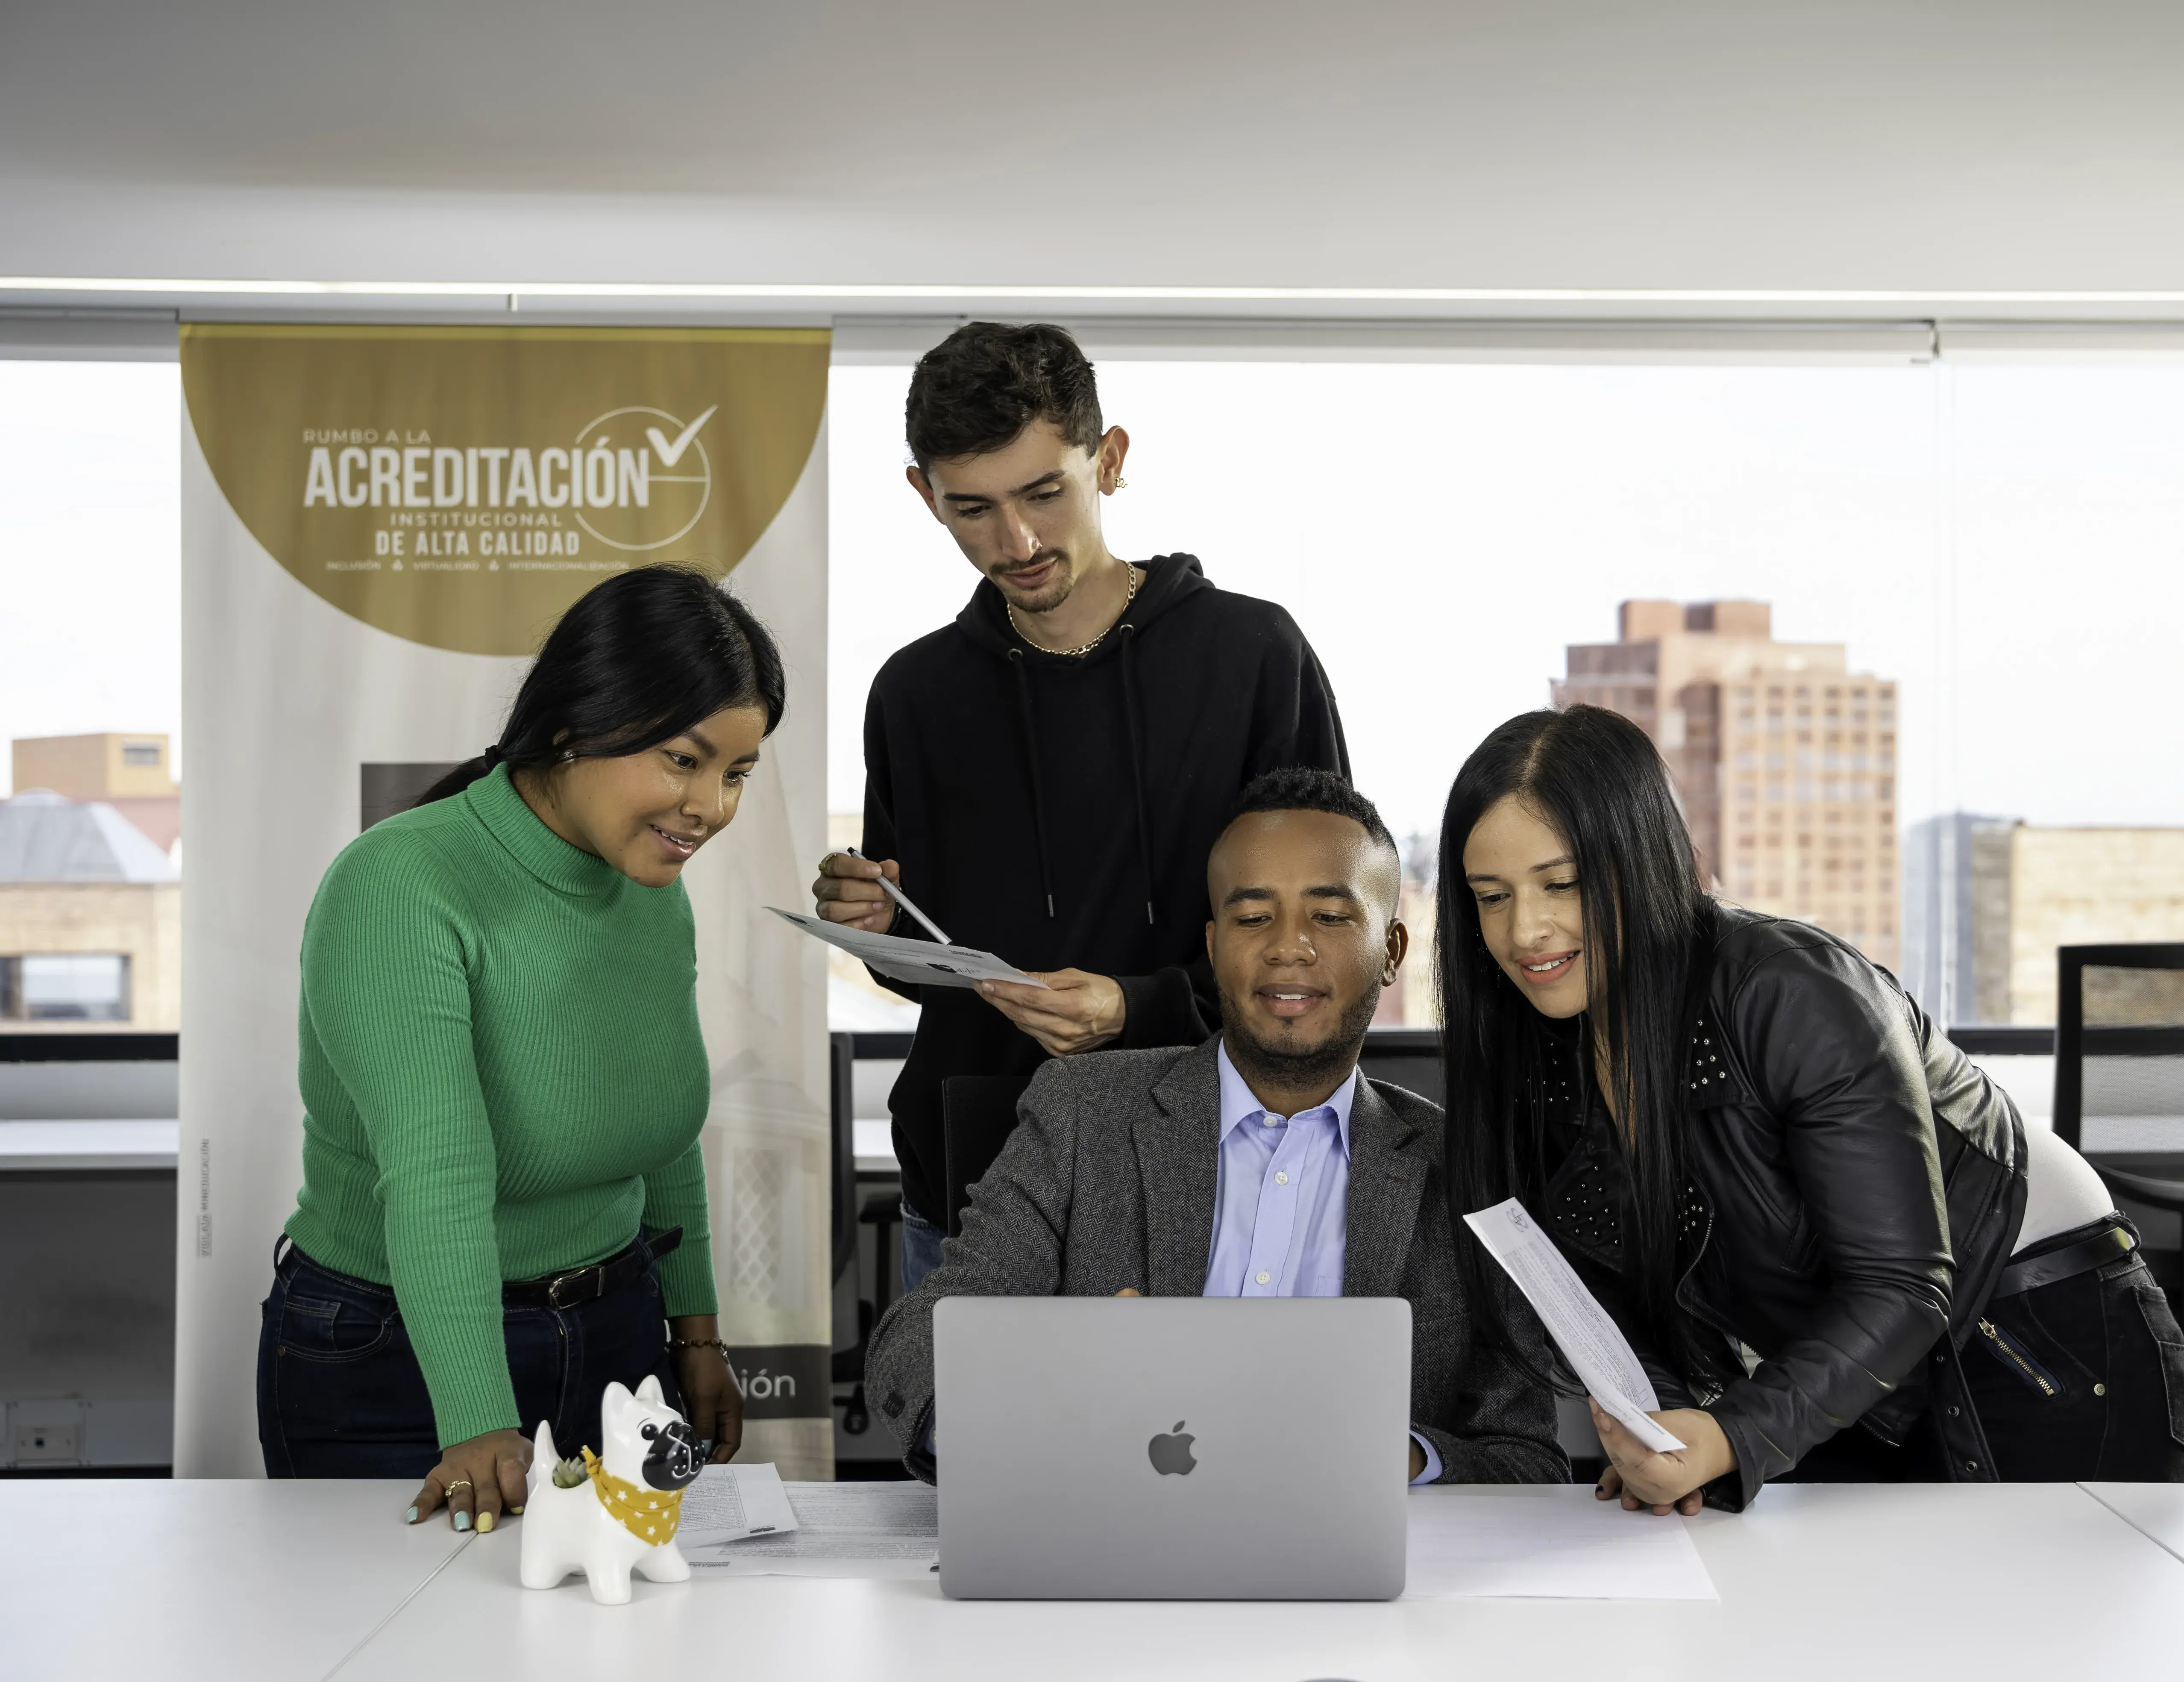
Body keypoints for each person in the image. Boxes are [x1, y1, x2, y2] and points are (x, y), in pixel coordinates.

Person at [1436, 706, 2184, 1515]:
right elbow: (1623, 1297)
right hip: (1867, 1371)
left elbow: (1903, 1284)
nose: (1526, 929)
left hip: (2037, 1335)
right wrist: (1666, 1433)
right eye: (1491, 896)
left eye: (1563, 884)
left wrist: (1729, 1438)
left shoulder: (1790, 989)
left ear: (1639, 860)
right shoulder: (1540, 1044)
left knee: (2035, 1640)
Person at [814, 321, 1348, 1286]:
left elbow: (1331, 936)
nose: (1014, 541)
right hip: (976, 1185)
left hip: (1212, 1184)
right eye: (971, 508)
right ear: (924, 496)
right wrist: (881, 929)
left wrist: (1136, 1008)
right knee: (968, 1446)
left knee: (1219, 1444)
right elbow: (930, 971)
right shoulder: (914, 693)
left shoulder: (1253, 657)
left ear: (1109, 460)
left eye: (1044, 493)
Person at [257, 564, 778, 1535]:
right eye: (683, 759)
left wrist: (692, 1335)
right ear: (576, 725)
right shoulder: (401, 886)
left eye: (736, 772)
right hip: (398, 1355)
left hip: (618, 1334)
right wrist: (479, 1420)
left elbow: (656, 1127)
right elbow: (437, 1176)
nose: (710, 806)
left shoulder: (649, 883)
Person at [865, 769, 1567, 1487]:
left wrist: (1409, 1458)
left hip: (1346, 1572)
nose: (1287, 947)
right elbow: (918, 1342)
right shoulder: (1081, 1112)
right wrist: (1050, 1388)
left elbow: (1528, 1461)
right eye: (1254, 917)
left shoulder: (1466, 1174)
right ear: (1214, 943)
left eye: (1329, 916)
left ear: (1391, 951)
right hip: (1109, 1548)